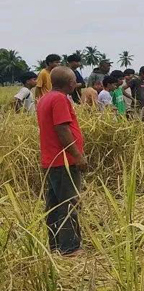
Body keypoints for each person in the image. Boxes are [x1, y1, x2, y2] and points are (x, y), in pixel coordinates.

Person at [36, 66, 86, 256]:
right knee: (68, 204)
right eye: (74, 80)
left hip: (51, 160)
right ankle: (70, 248)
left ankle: (56, 245)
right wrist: (77, 156)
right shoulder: (59, 99)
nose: (76, 83)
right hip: (63, 161)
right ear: (70, 83)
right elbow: (62, 129)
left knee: (55, 205)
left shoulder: (45, 98)